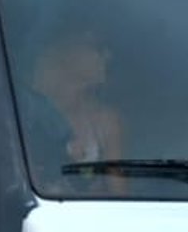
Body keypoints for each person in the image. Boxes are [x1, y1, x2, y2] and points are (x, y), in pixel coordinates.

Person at [19, 28, 125, 175]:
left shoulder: (105, 122)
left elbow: (118, 195)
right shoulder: (20, 111)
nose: (108, 55)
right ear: (66, 48)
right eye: (98, 46)